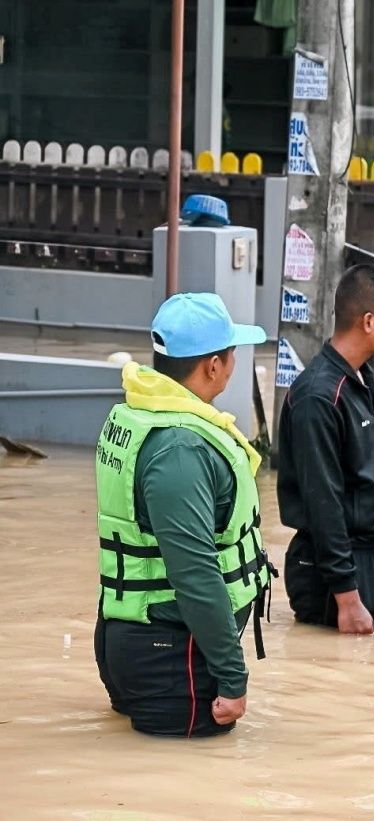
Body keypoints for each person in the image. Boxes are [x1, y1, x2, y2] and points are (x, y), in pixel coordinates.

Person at [94, 293, 270, 737]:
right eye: (232, 355)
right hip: (174, 660)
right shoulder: (180, 449)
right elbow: (194, 573)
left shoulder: (142, 415)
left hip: (143, 642)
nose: (234, 365)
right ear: (213, 366)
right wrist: (233, 677)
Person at [278, 264, 374, 634]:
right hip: (336, 574)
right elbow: (324, 502)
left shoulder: (363, 379)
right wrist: (347, 598)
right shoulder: (318, 397)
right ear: (368, 322)